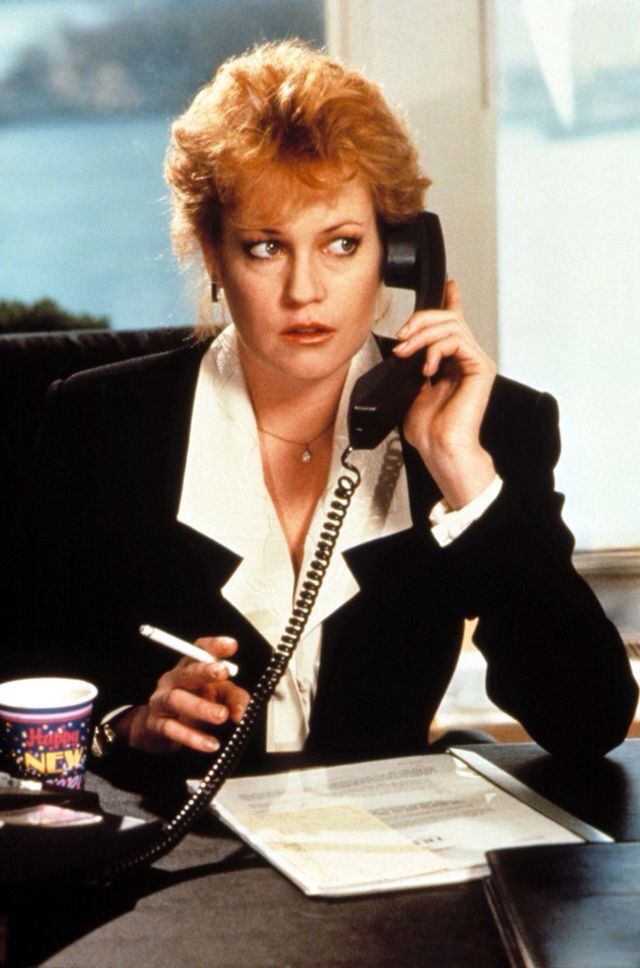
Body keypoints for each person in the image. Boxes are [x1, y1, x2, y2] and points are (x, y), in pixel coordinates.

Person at [18, 40, 637, 779]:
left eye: (342, 244)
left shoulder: (494, 426)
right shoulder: (100, 423)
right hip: (174, 874)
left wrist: (465, 478)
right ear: (214, 256)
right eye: (265, 248)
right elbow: (20, 678)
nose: (305, 290)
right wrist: (129, 725)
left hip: (397, 875)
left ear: (400, 254)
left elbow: (589, 720)